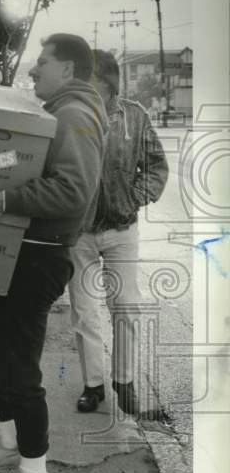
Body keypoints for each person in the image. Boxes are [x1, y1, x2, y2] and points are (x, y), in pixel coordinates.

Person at [0, 33, 106, 473]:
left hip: (40, 255)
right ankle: (9, 437)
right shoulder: (56, 114)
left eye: (44, 63)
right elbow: (25, 163)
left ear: (68, 70)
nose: (35, 70)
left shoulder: (74, 115)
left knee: (19, 364)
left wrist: (2, 199)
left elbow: (73, 190)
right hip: (18, 249)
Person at [68, 50, 168, 415]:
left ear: (110, 84)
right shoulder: (67, 118)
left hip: (122, 229)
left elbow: (156, 166)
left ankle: (124, 382)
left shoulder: (135, 117)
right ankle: (92, 385)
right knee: (84, 310)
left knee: (125, 306)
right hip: (79, 233)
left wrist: (134, 199)